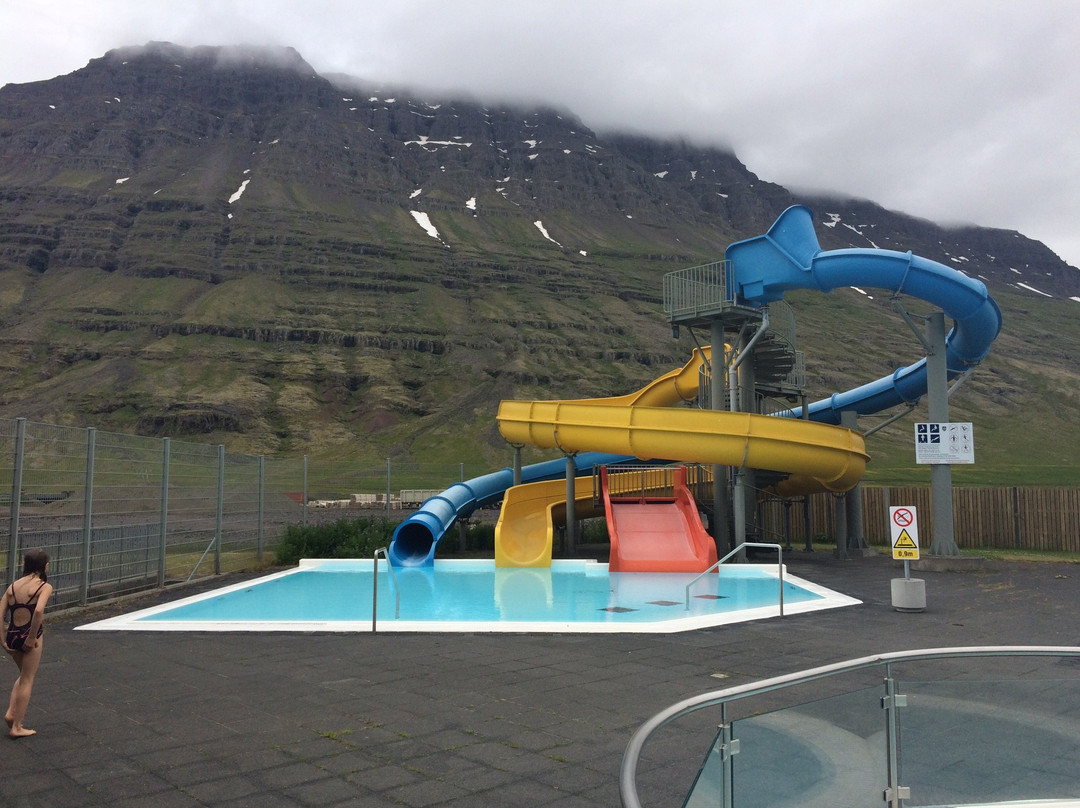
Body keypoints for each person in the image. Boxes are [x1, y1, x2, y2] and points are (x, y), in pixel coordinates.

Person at [2, 549, 53, 738]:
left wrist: (2, 640)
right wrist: (32, 637)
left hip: (13, 634)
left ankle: (10, 713)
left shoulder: (13, 587)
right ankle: (17, 726)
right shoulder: (43, 586)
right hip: (30, 634)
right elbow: (38, 612)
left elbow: (0, 615)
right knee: (28, 679)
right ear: (44, 566)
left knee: (23, 675)